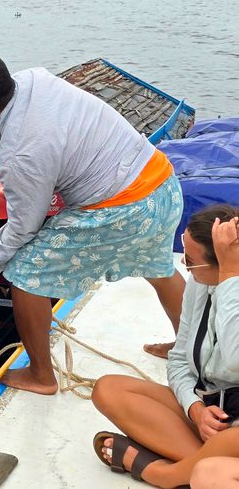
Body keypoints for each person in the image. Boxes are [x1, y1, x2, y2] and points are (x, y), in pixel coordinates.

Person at [0, 51, 186, 394]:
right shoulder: (33, 79)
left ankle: (40, 375)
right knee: (160, 267)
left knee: (26, 275)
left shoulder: (22, 154)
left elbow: (23, 227)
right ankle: (188, 353)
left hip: (122, 211)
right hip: (161, 184)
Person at [90, 205, 239, 488]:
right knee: (108, 389)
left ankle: (166, 475)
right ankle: (197, 467)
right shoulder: (199, 283)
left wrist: (231, 279)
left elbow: (236, 359)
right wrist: (195, 409)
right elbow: (180, 358)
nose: (184, 264)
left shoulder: (226, 279)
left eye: (192, 261)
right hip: (212, 413)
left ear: (220, 262)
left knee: (233, 439)